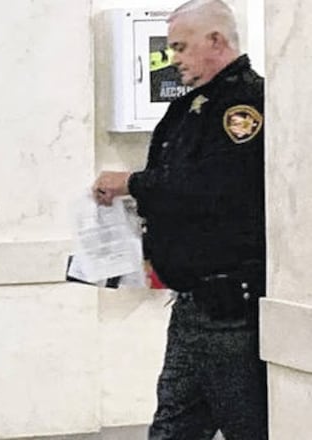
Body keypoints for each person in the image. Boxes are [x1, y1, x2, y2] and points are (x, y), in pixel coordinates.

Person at [92, 1, 266, 438]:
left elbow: (215, 188)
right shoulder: (191, 108)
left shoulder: (243, 106)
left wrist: (133, 182)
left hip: (231, 311)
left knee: (248, 425)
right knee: (173, 426)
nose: (174, 59)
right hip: (191, 308)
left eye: (181, 47)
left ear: (216, 42)